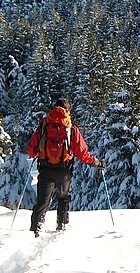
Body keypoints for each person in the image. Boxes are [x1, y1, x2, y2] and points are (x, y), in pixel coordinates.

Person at [26, 98, 105, 236]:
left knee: (42, 201)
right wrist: (96, 163)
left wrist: (37, 154)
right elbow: (82, 152)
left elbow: (31, 149)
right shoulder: (71, 128)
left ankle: (36, 229)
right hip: (64, 170)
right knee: (63, 197)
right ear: (68, 110)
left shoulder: (44, 125)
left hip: (45, 168)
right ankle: (61, 225)